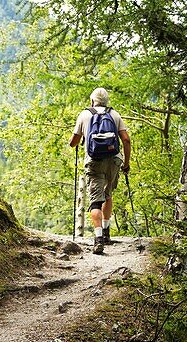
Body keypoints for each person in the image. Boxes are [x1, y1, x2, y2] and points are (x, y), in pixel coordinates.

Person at [69, 88, 131, 254]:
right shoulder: (115, 115)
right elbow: (126, 139)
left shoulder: (84, 115)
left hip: (94, 161)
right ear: (106, 101)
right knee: (108, 193)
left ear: (92, 101)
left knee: (96, 200)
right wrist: (126, 163)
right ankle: (106, 232)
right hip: (114, 159)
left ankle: (98, 240)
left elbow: (73, 142)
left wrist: (75, 141)